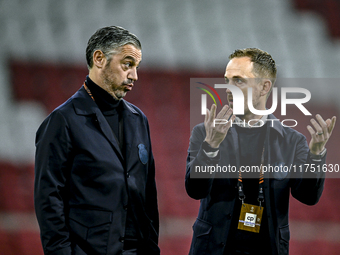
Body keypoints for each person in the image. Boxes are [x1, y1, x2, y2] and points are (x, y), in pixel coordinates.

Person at [185, 48, 336, 255]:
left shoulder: (292, 141)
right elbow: (195, 190)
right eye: (227, 80)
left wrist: (316, 154)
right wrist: (210, 146)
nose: (228, 88)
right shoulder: (205, 132)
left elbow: (308, 196)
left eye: (238, 80)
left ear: (264, 86)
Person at [34, 26, 160, 255]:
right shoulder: (62, 121)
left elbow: (148, 195)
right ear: (99, 58)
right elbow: (48, 200)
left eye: (136, 67)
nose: (134, 75)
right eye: (127, 64)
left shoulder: (138, 119)